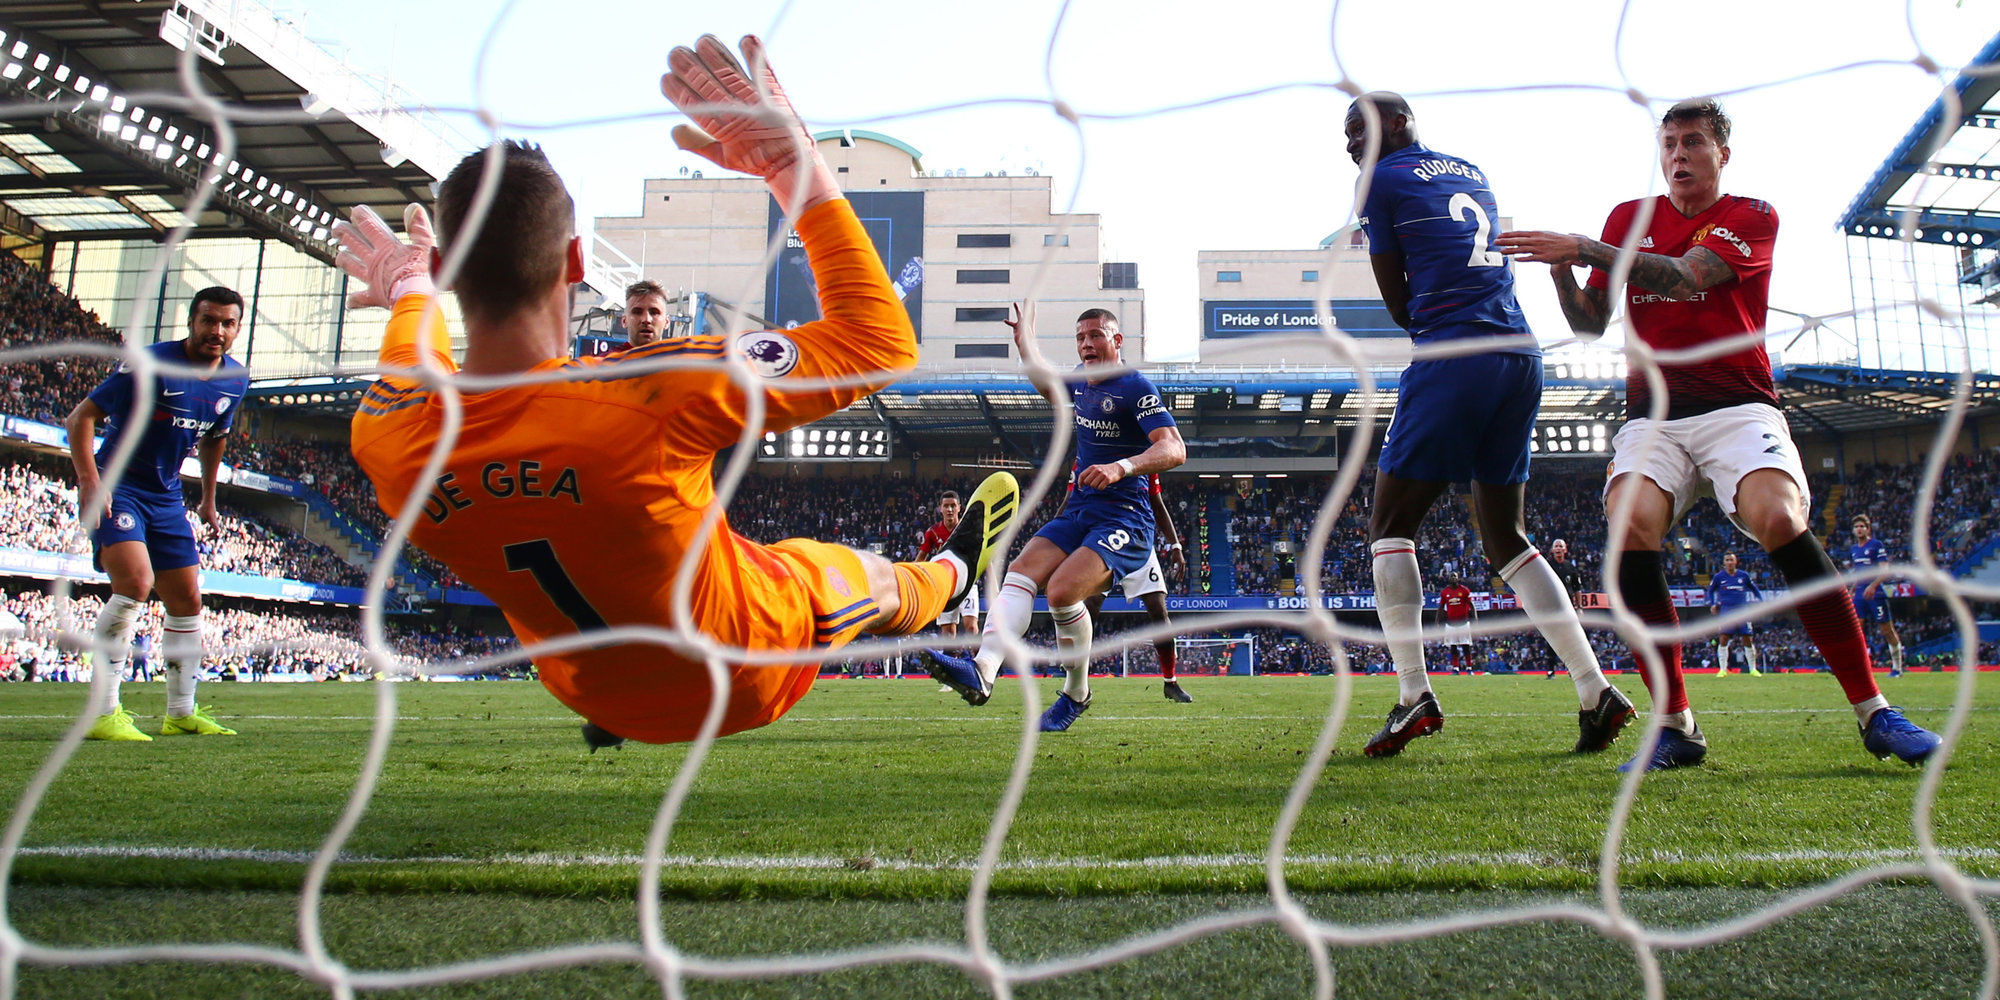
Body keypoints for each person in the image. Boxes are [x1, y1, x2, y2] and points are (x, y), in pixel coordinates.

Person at [340, 34, 1020, 747]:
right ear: (576, 259)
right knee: (859, 574)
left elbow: (412, 351)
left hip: (590, 688)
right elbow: (880, 342)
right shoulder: (651, 388)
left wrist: (408, 282)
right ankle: (952, 572)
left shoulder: (389, 431)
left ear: (449, 267)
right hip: (740, 669)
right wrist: (795, 167)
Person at [1497, 98, 1940, 769]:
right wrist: (1563, 270)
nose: (1678, 155)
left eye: (1693, 142)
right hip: (1655, 417)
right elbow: (1590, 323)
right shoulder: (1629, 219)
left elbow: (1685, 279)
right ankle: (1675, 725)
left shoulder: (1751, 217)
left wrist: (1586, 246)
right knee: (1629, 522)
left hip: (1738, 407)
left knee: (1777, 517)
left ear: (1721, 153)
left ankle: (1875, 712)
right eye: (1669, 143)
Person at [1341, 91, 1634, 759]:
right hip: (1518, 355)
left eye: (1358, 129)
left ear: (1396, 125)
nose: (1350, 144)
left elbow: (1397, 300)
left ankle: (1414, 696)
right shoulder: (1469, 169)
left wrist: (1434, 329)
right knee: (1505, 535)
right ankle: (1594, 691)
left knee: (1389, 526)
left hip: (1455, 353)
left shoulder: (1377, 182)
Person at [921, 303, 1187, 732]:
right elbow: (1045, 380)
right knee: (1021, 572)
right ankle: (983, 670)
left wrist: (1122, 467)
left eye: (1096, 335)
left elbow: (1174, 447)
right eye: (1081, 337)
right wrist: (1024, 340)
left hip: (1125, 517)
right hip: (1082, 508)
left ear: (1117, 341)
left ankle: (1076, 693)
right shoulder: (1080, 385)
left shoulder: (1135, 387)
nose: (1087, 344)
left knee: (1063, 592)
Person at [67, 285, 248, 741]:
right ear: (192, 321)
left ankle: (180, 714)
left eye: (228, 323)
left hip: (166, 495)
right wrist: (89, 481)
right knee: (135, 584)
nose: (217, 331)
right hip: (117, 485)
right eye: (209, 320)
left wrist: (207, 497)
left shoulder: (236, 379)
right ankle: (104, 712)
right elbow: (80, 418)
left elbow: (214, 437)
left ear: (238, 329)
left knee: (187, 600)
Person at [1080, 473, 1194, 702]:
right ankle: (1077, 685)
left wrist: (1175, 545)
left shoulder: (1144, 461)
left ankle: (1170, 682)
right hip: (1103, 540)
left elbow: (1157, 503)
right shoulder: (1093, 453)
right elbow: (1073, 499)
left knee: (1158, 610)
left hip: (1138, 539)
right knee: (1089, 608)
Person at [1846, 514, 1904, 677]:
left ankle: (1897, 667)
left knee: (1886, 630)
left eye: (1862, 526)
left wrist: (1873, 586)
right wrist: (1852, 589)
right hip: (1860, 595)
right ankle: (1857, 667)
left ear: (1868, 529)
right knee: (1856, 630)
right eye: (1856, 527)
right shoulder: (1854, 550)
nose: (1859, 529)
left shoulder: (1876, 545)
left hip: (1876, 594)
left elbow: (1884, 570)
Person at [917, 490, 979, 639]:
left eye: (953, 506)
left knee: (971, 627)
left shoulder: (969, 530)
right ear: (940, 508)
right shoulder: (933, 532)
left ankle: (977, 661)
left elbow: (984, 555)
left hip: (967, 582)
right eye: (946, 506)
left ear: (959, 508)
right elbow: (921, 558)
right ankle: (951, 661)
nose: (949, 509)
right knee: (948, 633)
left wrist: (994, 584)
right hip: (945, 586)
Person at [1705, 551, 1763, 676]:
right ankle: (1722, 669)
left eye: (1731, 560)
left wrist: (1761, 601)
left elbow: (1754, 589)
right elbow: (1710, 591)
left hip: (1742, 611)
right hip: (1726, 611)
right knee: (1723, 638)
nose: (1729, 562)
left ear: (1736, 562)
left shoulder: (1744, 576)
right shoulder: (1719, 577)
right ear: (1724, 563)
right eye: (1727, 560)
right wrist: (1712, 604)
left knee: (1747, 638)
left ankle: (1753, 669)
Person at [1436, 575, 1475, 674]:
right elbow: (1441, 607)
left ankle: (1469, 668)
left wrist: (1475, 619)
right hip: (1450, 624)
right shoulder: (1445, 592)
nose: (1453, 578)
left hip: (1463, 623)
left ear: (1458, 578)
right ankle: (1456, 668)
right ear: (1448, 579)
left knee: (1466, 646)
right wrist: (1437, 620)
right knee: (1453, 647)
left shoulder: (1464, 590)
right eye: (1451, 576)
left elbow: (1471, 605)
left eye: (1455, 576)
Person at [621, 279, 673, 349]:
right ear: (624, 321)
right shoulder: (608, 359)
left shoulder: (679, 359)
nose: (646, 320)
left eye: (654, 313)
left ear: (667, 322)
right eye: (637, 312)